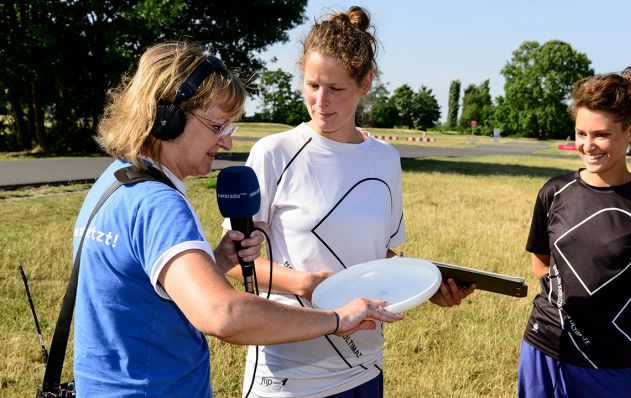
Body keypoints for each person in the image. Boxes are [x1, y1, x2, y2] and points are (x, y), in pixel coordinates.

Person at [72, 40, 403, 397]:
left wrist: (216, 262)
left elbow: (143, 289)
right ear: (168, 119)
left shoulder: (115, 181)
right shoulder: (159, 204)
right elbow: (222, 315)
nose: (226, 144)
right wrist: (337, 319)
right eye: (217, 127)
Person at [222, 7, 473, 398]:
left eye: (336, 89)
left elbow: (382, 258)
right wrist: (307, 284)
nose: (321, 101)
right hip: (288, 375)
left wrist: (428, 287)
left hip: (364, 368)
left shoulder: (385, 159)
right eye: (311, 85)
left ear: (365, 83)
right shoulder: (273, 153)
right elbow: (236, 263)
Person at [517, 64, 631, 397]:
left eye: (601, 134)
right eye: (581, 133)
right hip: (543, 347)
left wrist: (599, 321)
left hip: (608, 359)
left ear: (630, 132)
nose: (588, 145)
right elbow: (541, 263)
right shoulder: (554, 192)